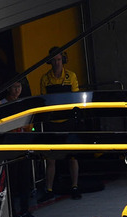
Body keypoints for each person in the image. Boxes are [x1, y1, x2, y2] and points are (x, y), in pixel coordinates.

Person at [39, 47, 81, 201]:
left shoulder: (72, 76)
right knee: (51, 158)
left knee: (72, 156)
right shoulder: (45, 78)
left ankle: (75, 187)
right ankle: (49, 190)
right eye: (54, 60)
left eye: (58, 59)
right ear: (49, 61)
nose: (56, 62)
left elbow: (76, 98)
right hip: (52, 122)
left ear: (63, 59)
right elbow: (44, 101)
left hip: (68, 121)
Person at [0, 80, 41, 217]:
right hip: (10, 148)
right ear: (8, 87)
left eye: (19, 87)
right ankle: (12, 213)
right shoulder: (3, 104)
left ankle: (25, 211)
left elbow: (29, 124)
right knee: (12, 182)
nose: (17, 90)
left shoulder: (23, 103)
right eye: (14, 86)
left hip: (23, 145)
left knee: (25, 181)